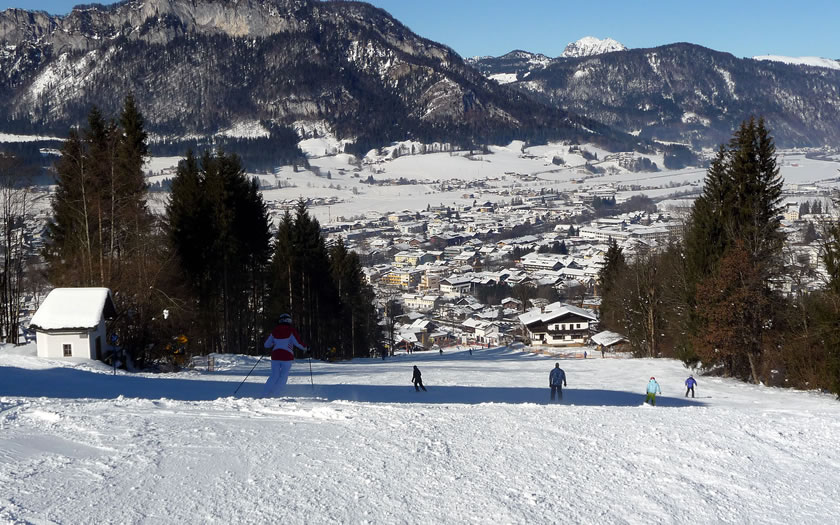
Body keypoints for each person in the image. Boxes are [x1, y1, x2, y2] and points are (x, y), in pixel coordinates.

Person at [262, 314, 307, 397]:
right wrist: (306, 348)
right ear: (289, 321)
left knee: (274, 375)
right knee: (283, 375)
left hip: (275, 356)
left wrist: (274, 343)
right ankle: (276, 393)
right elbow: (298, 343)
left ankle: (265, 393)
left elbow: (266, 345)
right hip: (287, 356)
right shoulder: (291, 330)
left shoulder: (275, 331)